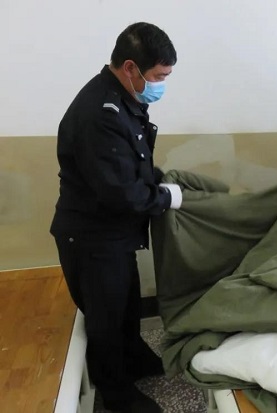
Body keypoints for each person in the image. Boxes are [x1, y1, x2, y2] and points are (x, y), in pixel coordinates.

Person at [50, 22, 182, 413]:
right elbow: (121, 192)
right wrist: (166, 197)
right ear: (130, 67)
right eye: (159, 77)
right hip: (91, 237)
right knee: (105, 318)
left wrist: (157, 179)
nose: (161, 85)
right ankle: (117, 395)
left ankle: (134, 359)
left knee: (126, 305)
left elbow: (130, 162)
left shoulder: (123, 100)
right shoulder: (100, 113)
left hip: (113, 233)